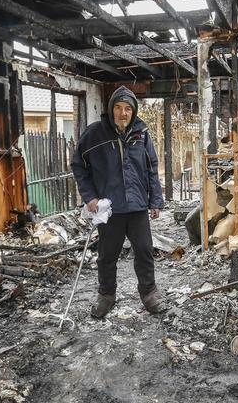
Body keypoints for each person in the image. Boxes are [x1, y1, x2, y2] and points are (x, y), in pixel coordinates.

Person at [71, 86, 165, 318]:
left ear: (133, 112)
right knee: (107, 255)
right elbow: (78, 164)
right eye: (118, 108)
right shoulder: (95, 133)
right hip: (110, 209)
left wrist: (155, 201)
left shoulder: (141, 133)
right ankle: (106, 296)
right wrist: (90, 196)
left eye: (128, 109)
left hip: (137, 206)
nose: (123, 113)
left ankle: (149, 293)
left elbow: (152, 167)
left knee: (144, 251)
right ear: (111, 109)